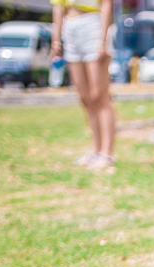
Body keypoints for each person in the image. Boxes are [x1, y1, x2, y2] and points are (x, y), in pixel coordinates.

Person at [51, 0, 116, 171]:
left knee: (99, 96)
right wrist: (56, 40)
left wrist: (103, 41)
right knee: (85, 98)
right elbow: (58, 7)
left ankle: (106, 153)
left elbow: (107, 5)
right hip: (70, 27)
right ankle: (95, 150)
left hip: (93, 24)